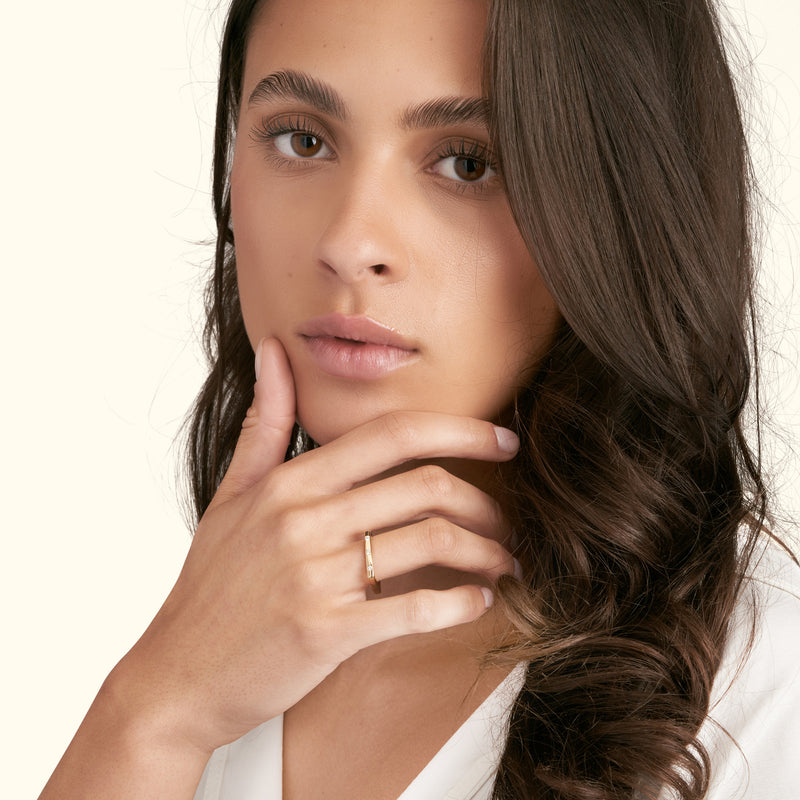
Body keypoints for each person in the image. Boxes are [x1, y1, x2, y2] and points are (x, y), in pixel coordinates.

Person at [38, 0, 800, 798]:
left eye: (469, 163)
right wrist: (154, 711)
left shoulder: (761, 694)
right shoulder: (210, 649)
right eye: (302, 140)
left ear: (622, 211)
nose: (350, 243)